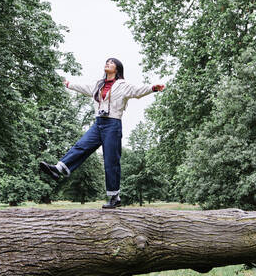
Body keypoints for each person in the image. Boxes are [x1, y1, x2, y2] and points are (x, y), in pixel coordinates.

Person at [39, 58, 165, 208]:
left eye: (111, 63)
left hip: (113, 124)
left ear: (117, 69)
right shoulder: (98, 84)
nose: (107, 64)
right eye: (106, 62)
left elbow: (137, 91)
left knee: (110, 161)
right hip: (99, 123)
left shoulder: (123, 85)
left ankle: (114, 197)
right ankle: (58, 169)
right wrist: (69, 84)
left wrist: (153, 88)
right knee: (81, 146)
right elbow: (83, 87)